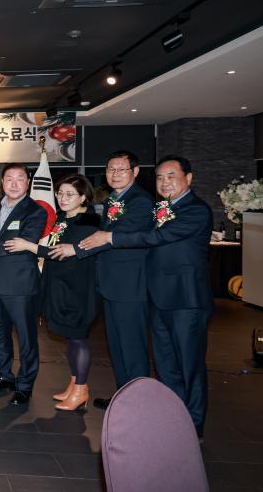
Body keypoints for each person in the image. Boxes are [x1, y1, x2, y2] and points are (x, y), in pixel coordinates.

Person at [79, 155, 213, 438]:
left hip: (186, 300)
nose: (165, 182)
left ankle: (194, 425)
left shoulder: (196, 210)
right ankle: (173, 416)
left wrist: (110, 237)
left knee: (189, 365)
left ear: (189, 178)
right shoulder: (161, 208)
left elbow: (155, 238)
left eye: (171, 176)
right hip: (158, 297)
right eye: (161, 177)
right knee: (165, 364)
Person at [65, 150, 153, 410]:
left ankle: (138, 403)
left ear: (135, 171)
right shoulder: (116, 198)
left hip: (130, 285)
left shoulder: (140, 201)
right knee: (117, 345)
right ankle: (123, 396)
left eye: (121, 169)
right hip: (113, 284)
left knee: (132, 346)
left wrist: (76, 249)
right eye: (111, 169)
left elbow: (111, 237)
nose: (115, 174)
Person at [4, 173, 100, 411]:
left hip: (77, 290)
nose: (63, 198)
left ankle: (81, 390)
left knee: (78, 338)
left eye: (70, 194)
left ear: (83, 197)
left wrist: (28, 246)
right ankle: (74, 384)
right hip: (60, 286)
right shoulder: (64, 218)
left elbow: (61, 252)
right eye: (60, 193)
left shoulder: (89, 223)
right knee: (70, 339)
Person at [0, 163, 48, 405]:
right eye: (9, 179)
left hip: (21, 284)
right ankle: (4, 376)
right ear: (2, 182)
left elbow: (23, 242)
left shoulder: (36, 211)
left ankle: (25, 385)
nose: (14, 184)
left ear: (28, 183)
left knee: (26, 336)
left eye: (20, 179)